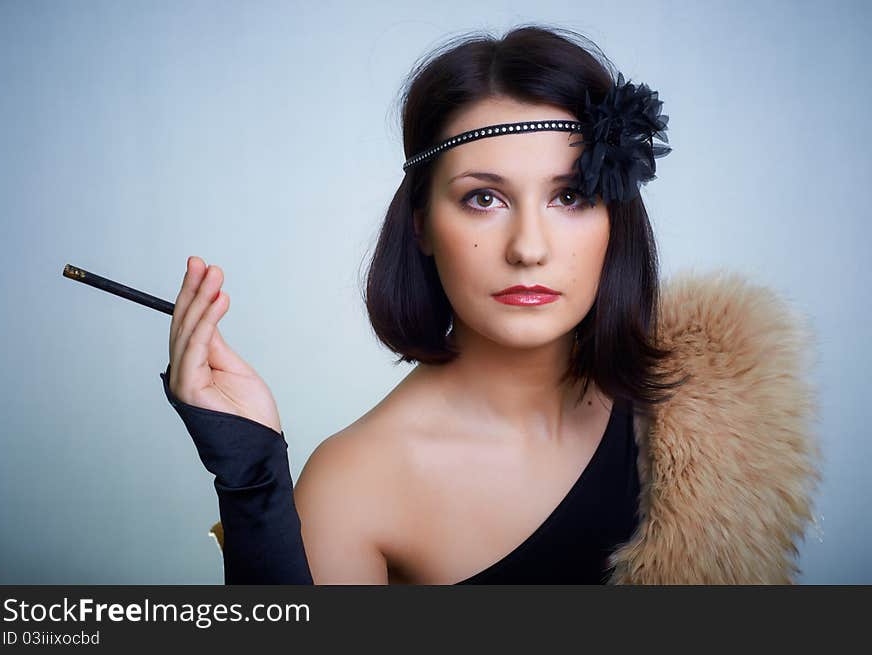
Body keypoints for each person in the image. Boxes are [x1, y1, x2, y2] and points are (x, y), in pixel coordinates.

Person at [161, 25, 822, 584]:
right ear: (421, 221)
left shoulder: (715, 399)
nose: (529, 247)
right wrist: (251, 483)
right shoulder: (354, 483)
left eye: (570, 196)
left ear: (614, 218)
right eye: (484, 197)